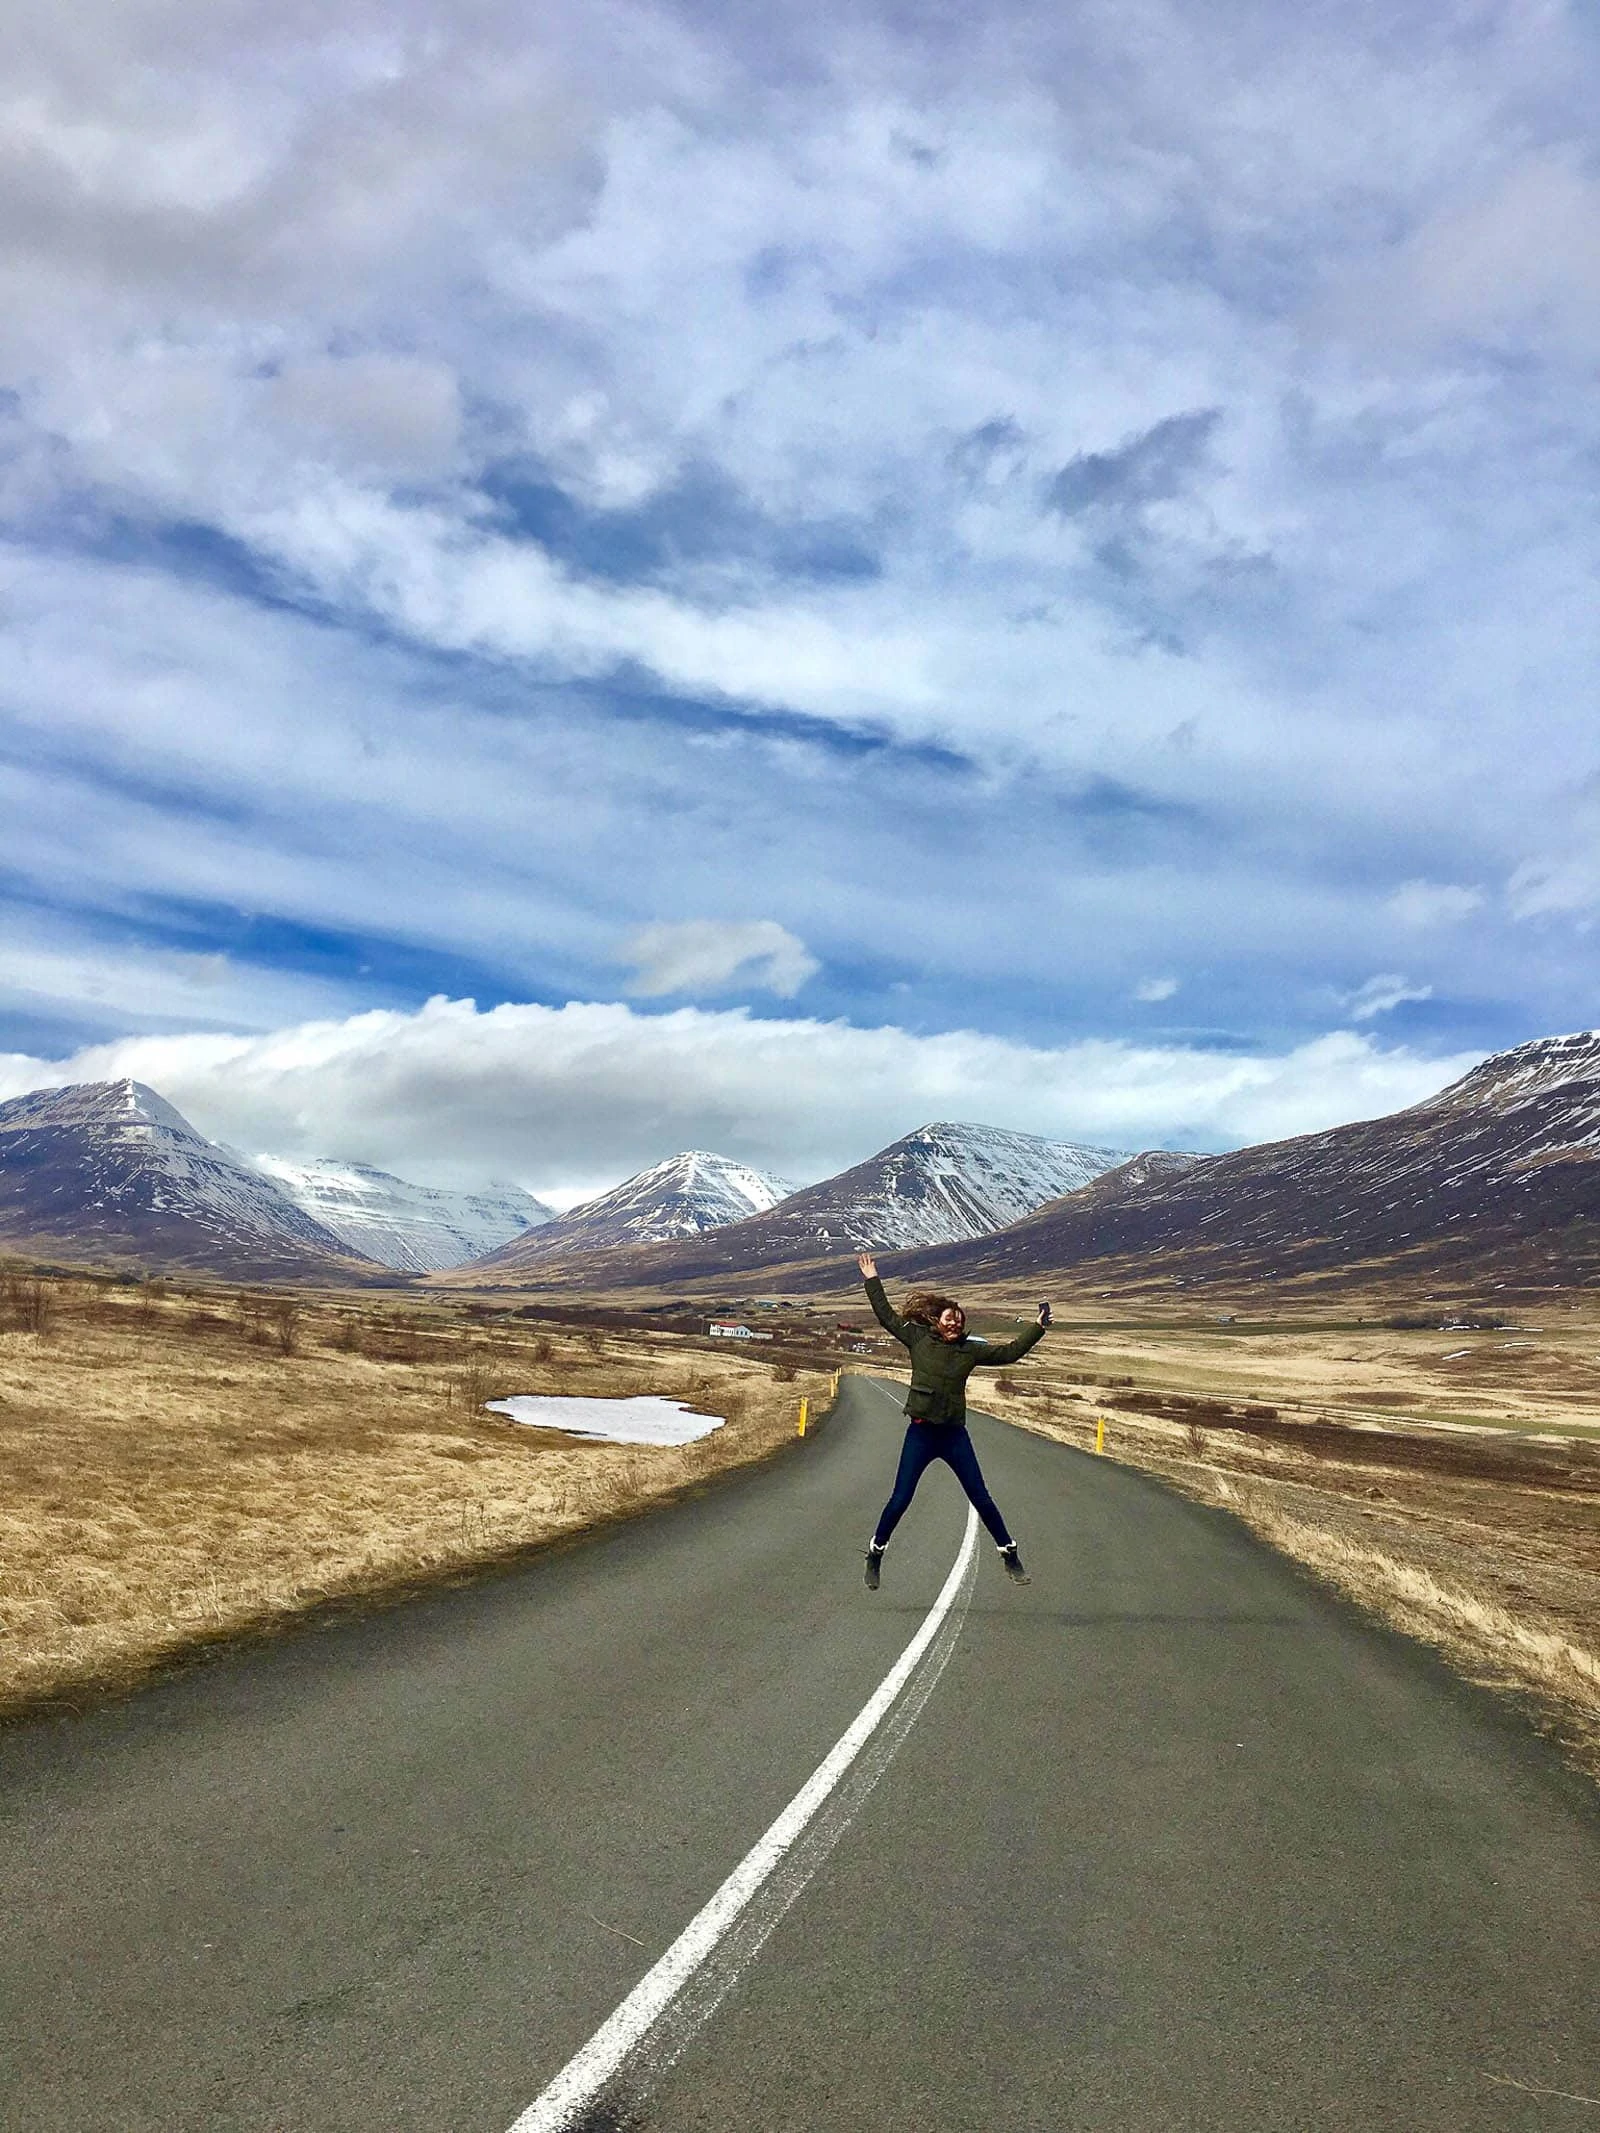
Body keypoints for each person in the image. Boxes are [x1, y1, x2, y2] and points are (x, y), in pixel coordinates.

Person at [856, 1251, 1049, 1590]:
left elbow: (1008, 1353)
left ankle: (1009, 1554)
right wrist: (872, 1280)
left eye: (959, 1319)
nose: (955, 1322)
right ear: (936, 1320)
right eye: (949, 1318)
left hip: (954, 1436)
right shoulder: (917, 1338)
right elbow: (886, 1316)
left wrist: (1038, 1328)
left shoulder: (970, 1350)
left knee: (981, 1496)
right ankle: (876, 1553)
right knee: (900, 1499)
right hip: (921, 1434)